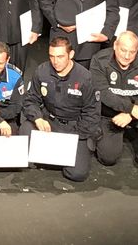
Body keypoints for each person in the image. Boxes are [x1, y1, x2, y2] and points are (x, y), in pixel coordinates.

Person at [20, 37, 100, 182]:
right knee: (26, 129)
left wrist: (73, 137)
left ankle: (53, 156)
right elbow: (30, 100)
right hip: (49, 122)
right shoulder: (42, 71)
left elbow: (92, 114)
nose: (55, 61)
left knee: (77, 174)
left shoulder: (85, 78)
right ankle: (53, 157)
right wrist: (38, 118)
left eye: (60, 56)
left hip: (75, 127)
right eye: (52, 56)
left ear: (71, 54)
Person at [90, 32, 138, 179]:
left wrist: (129, 113)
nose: (127, 56)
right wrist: (130, 108)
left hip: (135, 112)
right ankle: (124, 134)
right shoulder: (100, 60)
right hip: (109, 115)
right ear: (115, 46)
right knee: (108, 158)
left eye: (132, 52)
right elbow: (102, 93)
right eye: (123, 50)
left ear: (137, 50)